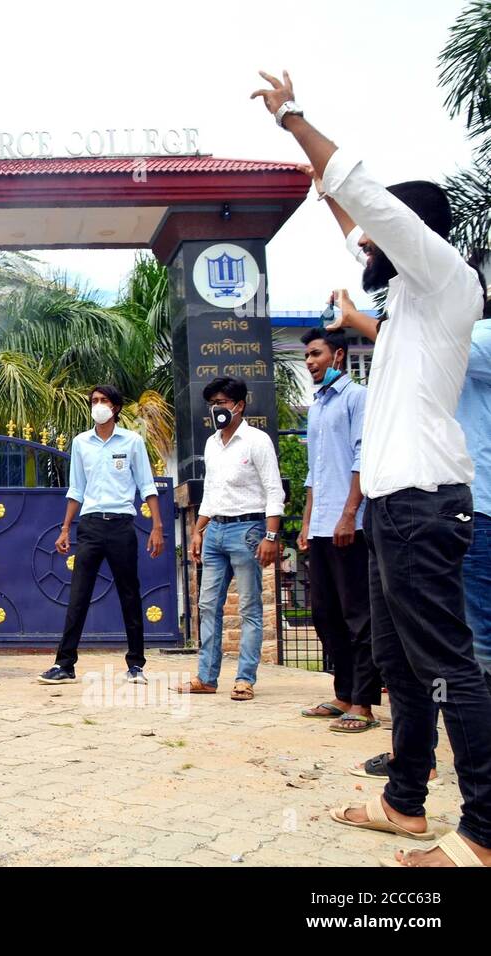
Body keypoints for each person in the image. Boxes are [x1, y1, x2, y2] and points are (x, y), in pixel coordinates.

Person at [253, 69, 491, 866]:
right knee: (401, 663)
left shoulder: (446, 279)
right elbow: (354, 206)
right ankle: (405, 802)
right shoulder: (409, 317)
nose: (360, 247)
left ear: (410, 234)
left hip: (425, 504)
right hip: (396, 507)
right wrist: (328, 192)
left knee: (448, 663)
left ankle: (485, 832)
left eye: (373, 238)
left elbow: (371, 200)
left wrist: (294, 118)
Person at [39, 385, 163, 686]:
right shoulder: (82, 443)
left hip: (121, 526)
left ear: (116, 407)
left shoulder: (132, 442)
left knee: (129, 594)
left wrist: (158, 527)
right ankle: (64, 664)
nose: (98, 405)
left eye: (103, 400)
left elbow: (147, 485)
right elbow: (76, 489)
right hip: (90, 526)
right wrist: (66, 527)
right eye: (94, 401)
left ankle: (136, 665)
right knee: (78, 595)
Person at [174, 377, 284, 700]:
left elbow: (274, 491)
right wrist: (198, 530)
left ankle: (245, 679)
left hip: (248, 529)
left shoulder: (257, 441)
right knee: (208, 605)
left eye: (222, 402)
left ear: (239, 405)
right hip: (215, 531)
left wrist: (271, 536)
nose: (217, 409)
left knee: (249, 606)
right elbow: (210, 492)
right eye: (213, 404)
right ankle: (206, 677)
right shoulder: (211, 444)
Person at [295, 327, 379, 732]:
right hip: (323, 526)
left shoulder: (357, 398)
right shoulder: (316, 406)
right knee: (324, 614)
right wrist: (308, 521)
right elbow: (314, 470)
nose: (310, 362)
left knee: (357, 616)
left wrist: (349, 514)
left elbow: (363, 455)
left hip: (353, 525)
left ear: (339, 356)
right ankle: (342, 693)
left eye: (316, 354)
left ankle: (363, 702)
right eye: (307, 356)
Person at [457, 313, 491, 681]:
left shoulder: (482, 335)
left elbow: (442, 344)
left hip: (478, 507)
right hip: (457, 506)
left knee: (480, 632)